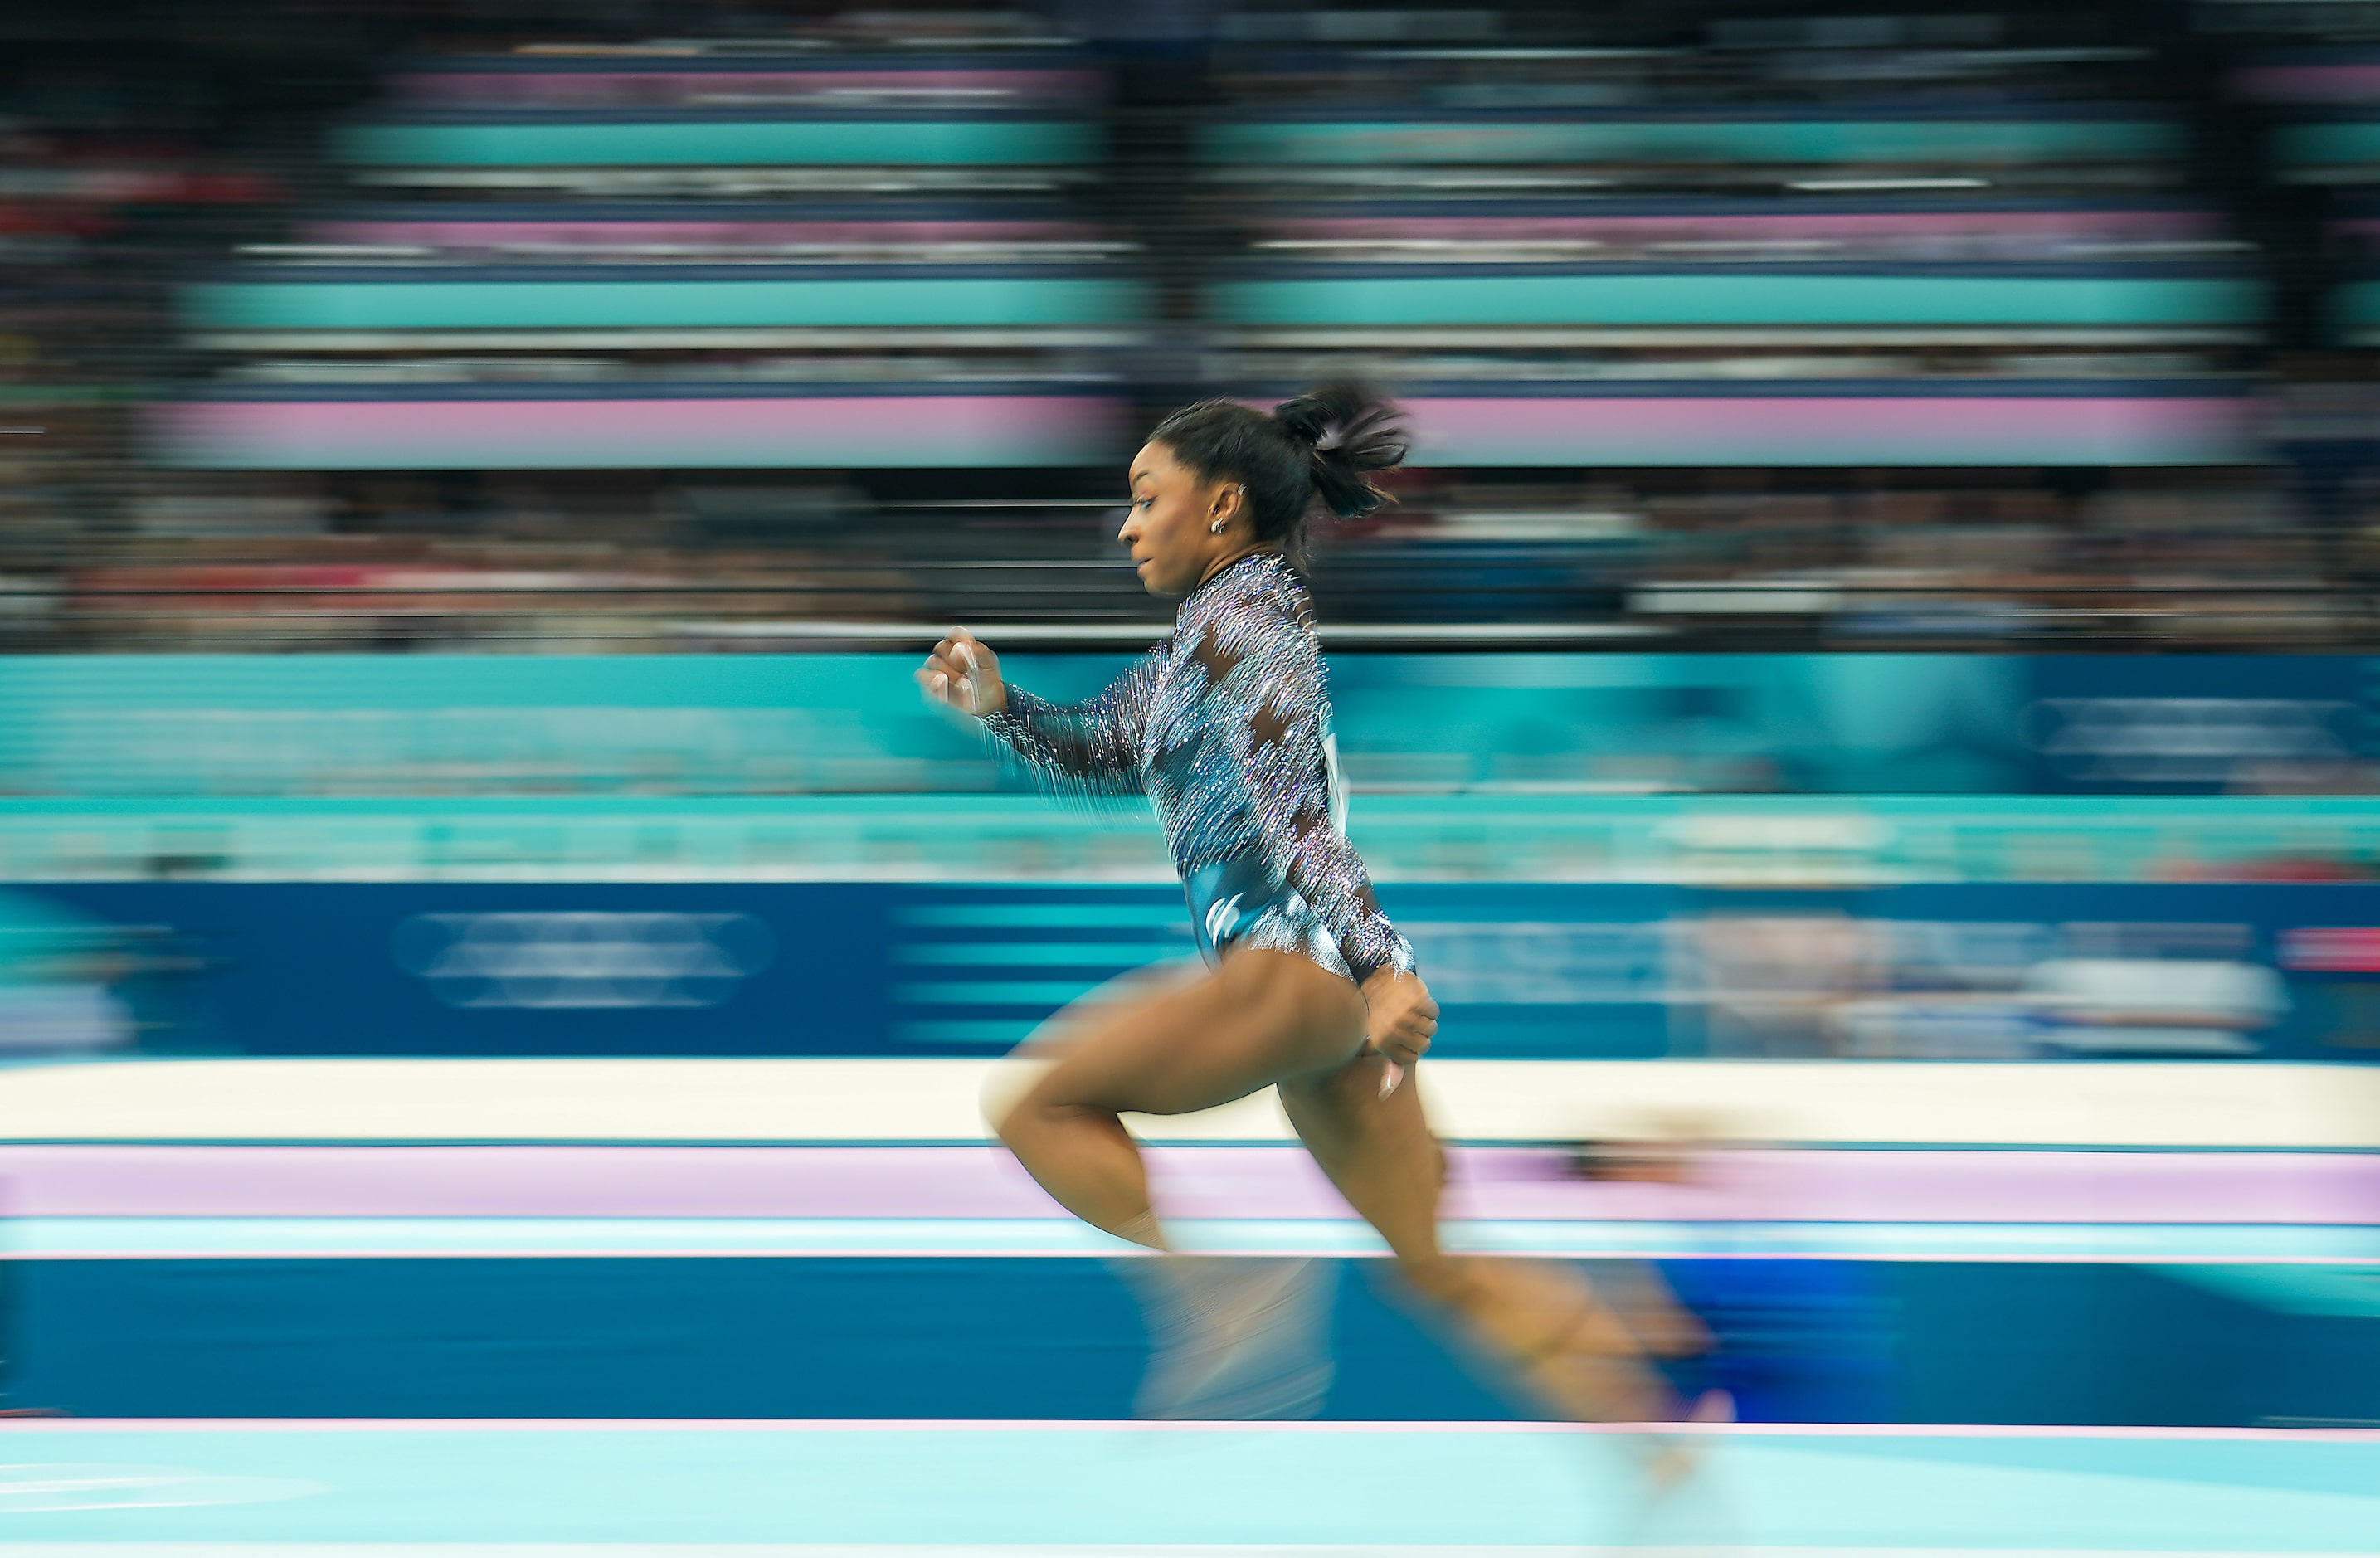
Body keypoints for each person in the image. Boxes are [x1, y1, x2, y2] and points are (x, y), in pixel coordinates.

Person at [917, 385, 1689, 1430]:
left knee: (1033, 1106)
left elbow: (1297, 821)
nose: (1127, 523)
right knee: (1432, 1262)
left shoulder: (1245, 630)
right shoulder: (1210, 637)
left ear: (1223, 506)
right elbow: (1104, 750)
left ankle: (1225, 1288)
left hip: (1289, 976)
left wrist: (1387, 964)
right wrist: (1001, 710)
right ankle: (1647, 1429)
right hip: (1319, 1006)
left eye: (1147, 498)